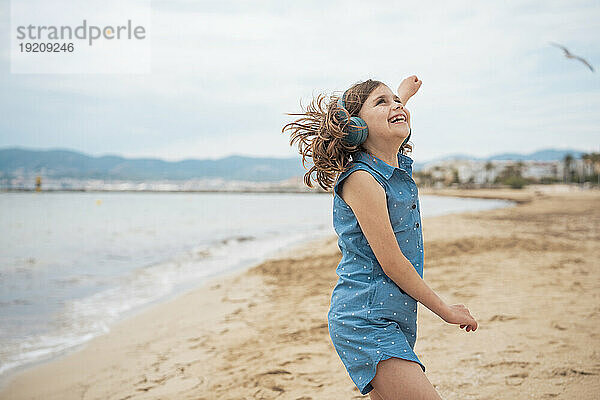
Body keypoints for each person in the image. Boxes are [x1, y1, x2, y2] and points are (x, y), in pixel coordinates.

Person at [282, 76, 478, 399]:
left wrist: (401, 98)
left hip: (395, 316)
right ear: (357, 127)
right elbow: (392, 263)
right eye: (381, 102)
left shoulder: (393, 167)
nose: (396, 106)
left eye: (395, 102)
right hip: (366, 320)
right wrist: (445, 310)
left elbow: (384, 124)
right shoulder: (361, 179)